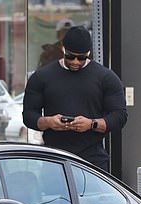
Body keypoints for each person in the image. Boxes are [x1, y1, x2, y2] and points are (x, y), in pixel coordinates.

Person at [22, 25, 128, 172]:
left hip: (92, 161)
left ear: (89, 53)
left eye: (82, 57)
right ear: (63, 49)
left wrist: (91, 124)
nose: (75, 62)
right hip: (54, 159)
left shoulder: (106, 78)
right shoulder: (42, 77)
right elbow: (28, 115)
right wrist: (48, 122)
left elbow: (119, 116)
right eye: (70, 56)